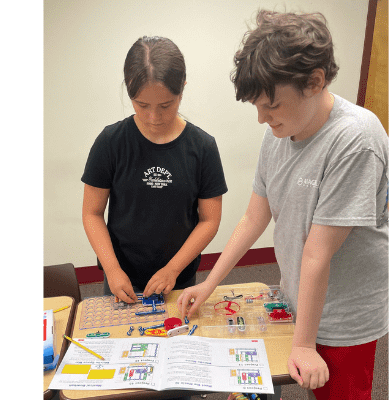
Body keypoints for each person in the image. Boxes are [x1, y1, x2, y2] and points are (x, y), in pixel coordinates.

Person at [177, 10, 388, 398]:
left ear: (314, 82)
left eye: (270, 106)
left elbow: (317, 252)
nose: (261, 118)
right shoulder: (279, 133)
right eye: (257, 106)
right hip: (301, 299)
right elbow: (255, 216)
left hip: (345, 317)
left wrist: (305, 344)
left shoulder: (356, 139)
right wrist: (210, 282)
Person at [82, 36, 228, 304]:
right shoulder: (110, 142)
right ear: (129, 90)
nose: (154, 117)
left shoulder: (203, 147)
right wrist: (112, 270)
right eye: (142, 105)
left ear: (182, 89)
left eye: (165, 105)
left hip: (177, 279)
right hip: (121, 278)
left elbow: (210, 220)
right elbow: (92, 213)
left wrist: (173, 269)